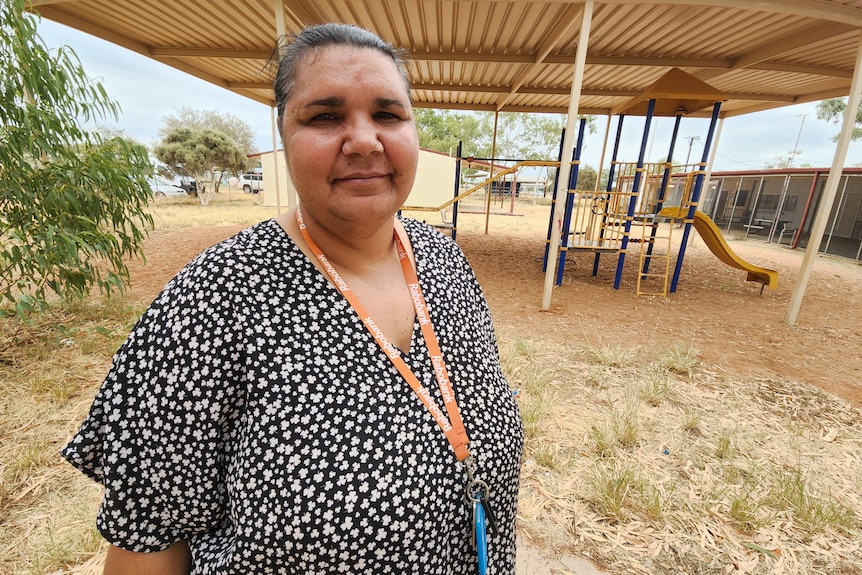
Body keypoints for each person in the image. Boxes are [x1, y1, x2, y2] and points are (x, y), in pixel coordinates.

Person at [62, 22, 523, 574]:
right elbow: (148, 539)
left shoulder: (445, 263)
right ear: (284, 134)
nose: (364, 140)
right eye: (325, 116)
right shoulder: (211, 299)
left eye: (387, 114)